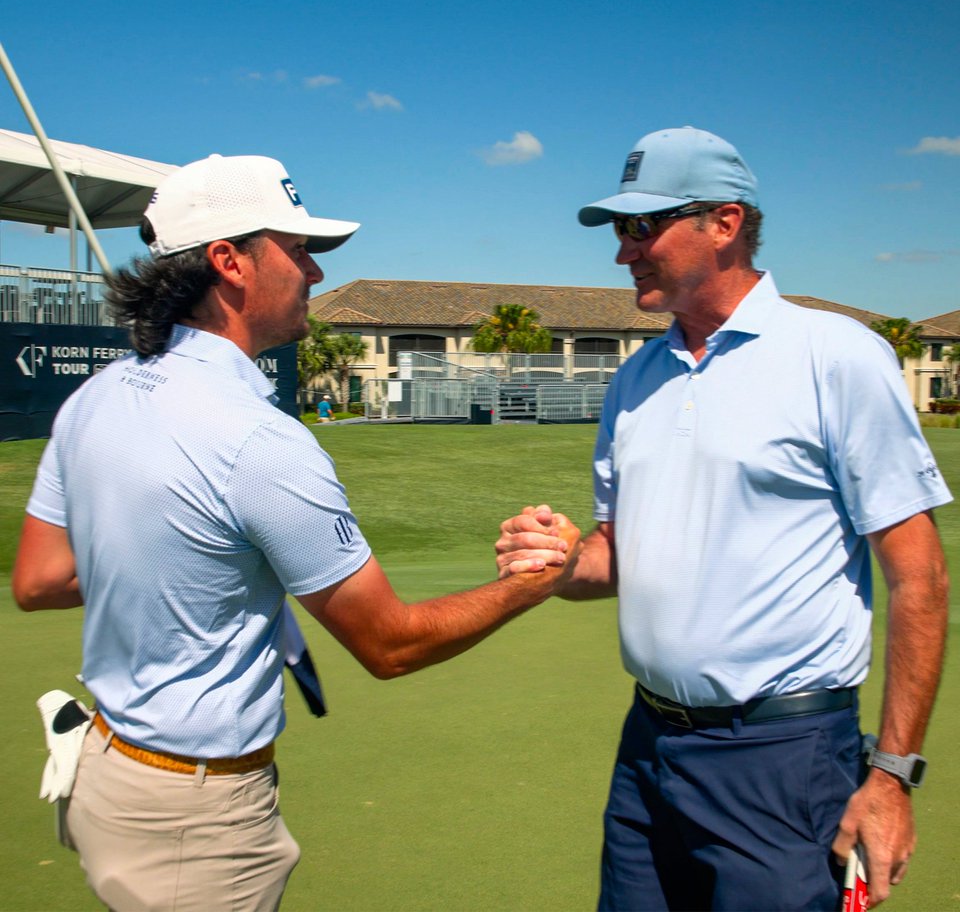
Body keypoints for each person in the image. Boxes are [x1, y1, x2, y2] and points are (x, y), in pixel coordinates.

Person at [12, 152, 580, 912]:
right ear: (229, 262)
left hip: (104, 773)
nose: (313, 274)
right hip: (195, 817)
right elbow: (391, 644)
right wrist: (536, 578)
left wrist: (193, 571)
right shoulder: (261, 441)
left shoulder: (97, 396)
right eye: (299, 249)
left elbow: (39, 582)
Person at [495, 126, 951, 911]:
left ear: (725, 224)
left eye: (642, 227)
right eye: (618, 230)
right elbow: (618, 556)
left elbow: (921, 579)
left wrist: (892, 777)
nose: (623, 251)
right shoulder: (635, 378)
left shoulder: (835, 356)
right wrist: (564, 560)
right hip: (649, 748)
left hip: (785, 755)